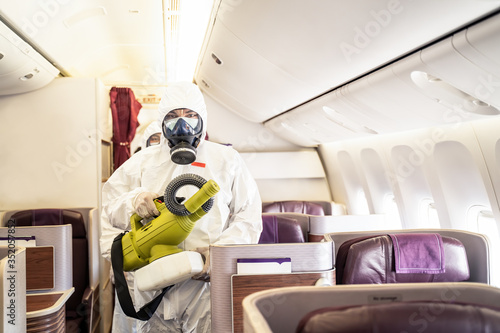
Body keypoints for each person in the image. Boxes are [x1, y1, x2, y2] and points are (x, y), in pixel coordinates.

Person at [100, 82, 263, 332]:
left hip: (205, 285)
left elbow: (249, 217)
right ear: (162, 123)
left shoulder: (226, 160)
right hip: (153, 284)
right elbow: (109, 206)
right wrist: (134, 200)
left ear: (202, 120)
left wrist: (220, 252)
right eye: (173, 117)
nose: (182, 126)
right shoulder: (143, 161)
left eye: (190, 116)